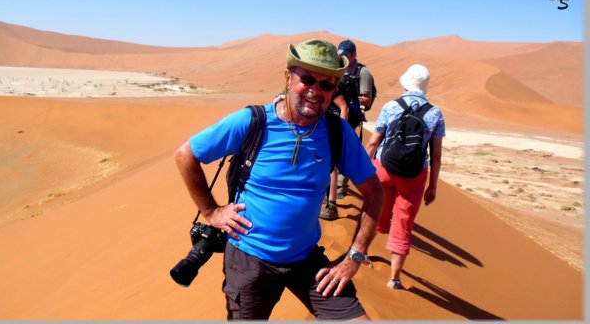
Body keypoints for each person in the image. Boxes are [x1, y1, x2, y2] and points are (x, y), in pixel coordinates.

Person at [174, 38, 384, 320]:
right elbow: (185, 155)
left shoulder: (338, 132)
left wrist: (354, 256)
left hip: (308, 262)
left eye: (326, 85)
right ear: (288, 78)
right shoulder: (253, 122)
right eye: (307, 79)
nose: (315, 91)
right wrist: (211, 211)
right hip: (250, 260)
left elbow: (374, 193)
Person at [364, 64, 445, 290]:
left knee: (374, 211)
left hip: (384, 168)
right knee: (404, 222)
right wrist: (433, 186)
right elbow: (436, 155)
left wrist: (362, 169)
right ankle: (394, 278)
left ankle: (361, 253)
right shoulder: (435, 113)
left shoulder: (391, 107)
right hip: (414, 175)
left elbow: (373, 141)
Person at [320, 39, 376, 221]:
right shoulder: (338, 70)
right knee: (333, 159)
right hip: (332, 116)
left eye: (344, 55)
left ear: (353, 55)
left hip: (347, 119)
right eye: (339, 55)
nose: (341, 58)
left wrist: (351, 103)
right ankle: (333, 192)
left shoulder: (363, 73)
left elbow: (366, 99)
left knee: (337, 159)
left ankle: (336, 196)